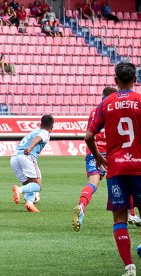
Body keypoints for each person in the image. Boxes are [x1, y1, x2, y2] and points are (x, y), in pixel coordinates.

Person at [85, 62, 141, 276]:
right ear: (135, 80)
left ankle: (129, 266)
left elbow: (89, 136)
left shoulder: (106, 103)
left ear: (115, 80)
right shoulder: (140, 101)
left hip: (116, 167)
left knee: (119, 218)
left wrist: (98, 155)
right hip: (139, 166)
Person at [73, 87, 119, 231]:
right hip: (112, 151)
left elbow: (89, 134)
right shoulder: (115, 109)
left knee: (93, 182)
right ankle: (130, 215)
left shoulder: (95, 111)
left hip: (94, 151)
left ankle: (81, 206)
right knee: (120, 183)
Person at [11, 115, 54, 212]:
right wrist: (30, 148)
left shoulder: (33, 132)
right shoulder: (45, 133)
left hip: (14, 157)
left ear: (41, 123)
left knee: (29, 184)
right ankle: (20, 190)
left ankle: (29, 204)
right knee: (37, 186)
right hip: (27, 156)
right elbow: (37, 139)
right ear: (52, 127)